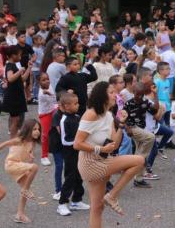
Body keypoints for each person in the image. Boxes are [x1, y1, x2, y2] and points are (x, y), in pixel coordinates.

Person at [73, 82, 143, 227]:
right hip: (90, 163)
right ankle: (112, 196)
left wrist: (122, 124)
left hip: (103, 158)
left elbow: (114, 145)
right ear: (102, 95)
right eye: (111, 92)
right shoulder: (91, 114)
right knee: (139, 160)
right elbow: (77, 144)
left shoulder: (109, 115)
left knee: (97, 207)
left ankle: (110, 197)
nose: (115, 95)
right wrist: (100, 149)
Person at [0, 119, 41, 224]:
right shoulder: (20, 140)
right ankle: (25, 190)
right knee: (34, 168)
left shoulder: (32, 143)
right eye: (34, 129)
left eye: (38, 129)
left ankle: (20, 214)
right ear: (28, 130)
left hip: (19, 166)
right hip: (11, 164)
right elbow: (6, 143)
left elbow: (28, 154)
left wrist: (30, 156)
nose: (37, 131)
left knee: (26, 188)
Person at [55, 92, 90, 216]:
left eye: (78, 103)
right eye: (75, 104)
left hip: (79, 153)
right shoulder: (64, 120)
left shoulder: (77, 117)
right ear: (67, 106)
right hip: (69, 154)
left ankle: (76, 200)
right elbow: (64, 140)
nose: (78, 105)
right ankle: (62, 203)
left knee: (79, 176)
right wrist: (77, 142)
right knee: (70, 177)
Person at [123, 82, 159, 188]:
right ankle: (138, 160)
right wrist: (127, 128)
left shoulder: (145, 101)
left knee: (140, 151)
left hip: (141, 128)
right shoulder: (128, 103)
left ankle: (138, 179)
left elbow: (155, 110)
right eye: (137, 94)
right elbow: (122, 116)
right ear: (133, 92)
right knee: (151, 137)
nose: (139, 96)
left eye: (141, 94)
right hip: (132, 128)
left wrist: (155, 95)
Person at [2, 46, 31, 138]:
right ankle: (13, 139)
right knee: (15, 119)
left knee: (17, 119)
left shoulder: (14, 65)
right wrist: (20, 71)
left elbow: (22, 79)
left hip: (18, 95)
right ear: (13, 55)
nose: (20, 57)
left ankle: (14, 137)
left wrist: (28, 68)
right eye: (19, 55)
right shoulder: (9, 65)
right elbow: (10, 78)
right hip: (13, 96)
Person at [38, 72, 58, 166]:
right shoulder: (42, 94)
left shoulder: (49, 86)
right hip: (45, 114)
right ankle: (44, 156)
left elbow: (54, 101)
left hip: (52, 110)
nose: (47, 81)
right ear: (39, 82)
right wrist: (48, 94)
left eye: (47, 78)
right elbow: (53, 98)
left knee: (57, 129)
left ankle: (55, 148)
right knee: (45, 135)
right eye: (43, 80)